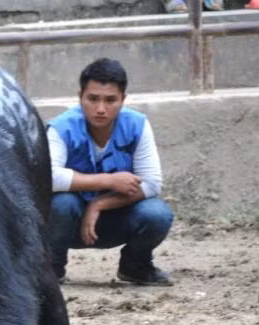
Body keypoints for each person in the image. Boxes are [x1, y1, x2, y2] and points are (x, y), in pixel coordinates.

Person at [47, 57, 174, 286]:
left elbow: (152, 183)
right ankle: (50, 270)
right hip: (69, 222)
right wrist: (108, 180)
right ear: (80, 97)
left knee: (157, 214)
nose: (101, 109)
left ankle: (136, 266)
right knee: (61, 204)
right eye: (93, 99)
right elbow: (49, 178)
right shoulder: (61, 127)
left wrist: (99, 204)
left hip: (117, 217)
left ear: (123, 99)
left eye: (110, 100)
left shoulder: (137, 125)